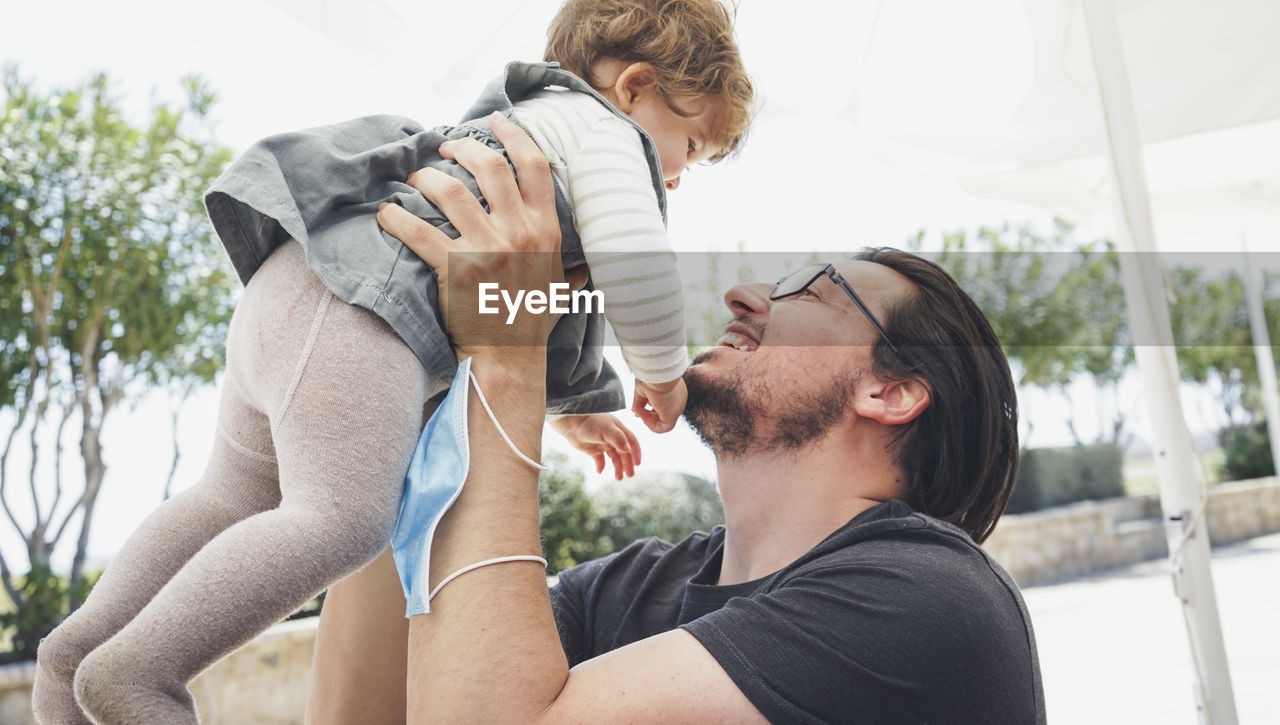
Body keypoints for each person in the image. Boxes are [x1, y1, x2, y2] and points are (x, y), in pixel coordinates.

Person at [31, 0, 753, 725]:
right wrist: (664, 376)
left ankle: (74, 657)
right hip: (366, 314)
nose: (677, 176)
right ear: (636, 86)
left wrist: (573, 410)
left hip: (294, 286)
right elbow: (633, 264)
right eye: (690, 145)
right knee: (343, 518)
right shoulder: (607, 134)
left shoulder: (530, 122)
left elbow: (516, 295)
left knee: (232, 496)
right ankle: (143, 671)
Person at [305, 117, 1046, 723]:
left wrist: (503, 350)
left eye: (812, 294)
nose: (745, 296)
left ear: (891, 393)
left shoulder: (928, 601)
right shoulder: (627, 592)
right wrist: (427, 372)